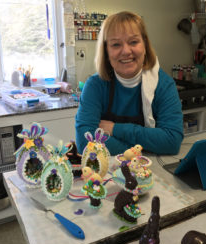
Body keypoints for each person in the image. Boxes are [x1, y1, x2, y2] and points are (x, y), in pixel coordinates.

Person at [75, 11, 183, 156]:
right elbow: (85, 143)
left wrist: (115, 129)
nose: (126, 51)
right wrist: (144, 146)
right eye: (116, 44)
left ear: (144, 44)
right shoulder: (95, 86)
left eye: (133, 42)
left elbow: (171, 141)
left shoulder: (163, 85)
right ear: (106, 51)